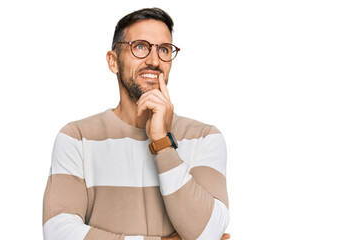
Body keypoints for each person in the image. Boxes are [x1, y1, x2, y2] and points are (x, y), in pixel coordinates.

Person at [43, 7, 230, 240]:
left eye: (163, 49)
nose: (154, 60)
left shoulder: (205, 137)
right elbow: (58, 232)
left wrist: (162, 143)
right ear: (113, 62)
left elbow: (208, 233)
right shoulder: (75, 138)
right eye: (140, 46)